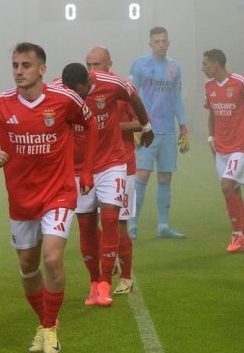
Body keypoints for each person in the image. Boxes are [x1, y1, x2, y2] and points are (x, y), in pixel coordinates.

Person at [0, 42, 96, 352]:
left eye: (26, 66)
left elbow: (91, 122)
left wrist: (86, 170)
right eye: (15, 65)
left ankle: (48, 330)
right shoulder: (1, 106)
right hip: (21, 200)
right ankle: (45, 323)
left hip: (58, 194)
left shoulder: (64, 100)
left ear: (42, 69)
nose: (19, 71)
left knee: (52, 258)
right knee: (28, 266)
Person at [61, 62, 153, 306]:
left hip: (112, 162)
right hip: (78, 168)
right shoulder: (61, 90)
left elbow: (133, 96)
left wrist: (146, 126)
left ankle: (105, 283)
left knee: (112, 218)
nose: (78, 98)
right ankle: (93, 283)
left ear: (88, 82)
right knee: (86, 225)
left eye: (81, 92)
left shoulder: (111, 84)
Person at [83, 46, 140, 295]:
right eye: (89, 65)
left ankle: (126, 276)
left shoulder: (120, 89)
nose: (93, 70)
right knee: (91, 222)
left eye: (97, 64)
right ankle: (109, 258)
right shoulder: (83, 90)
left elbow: (140, 121)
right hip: (92, 166)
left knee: (118, 224)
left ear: (109, 64)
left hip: (122, 164)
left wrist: (115, 124)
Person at [202, 49, 244, 252]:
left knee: (227, 186)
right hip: (220, 148)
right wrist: (211, 138)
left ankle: (237, 235)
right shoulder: (208, 86)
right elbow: (211, 114)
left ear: (216, 64)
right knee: (234, 193)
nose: (203, 68)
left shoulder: (240, 82)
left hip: (240, 146)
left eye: (205, 64)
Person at [129, 26, 188, 239]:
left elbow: (176, 97)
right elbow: (131, 97)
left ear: (169, 43)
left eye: (164, 41)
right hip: (147, 130)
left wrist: (183, 124)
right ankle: (132, 225)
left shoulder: (174, 67)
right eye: (157, 41)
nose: (161, 44)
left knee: (165, 177)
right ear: (150, 44)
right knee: (142, 175)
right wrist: (134, 124)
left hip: (168, 132)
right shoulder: (140, 65)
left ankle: (163, 225)